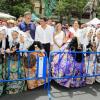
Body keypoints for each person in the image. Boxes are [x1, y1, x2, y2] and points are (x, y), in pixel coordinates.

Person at [0, 29, 9, 96]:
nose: (3, 35)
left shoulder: (6, 40)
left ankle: (2, 90)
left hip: (3, 59)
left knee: (3, 74)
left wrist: (8, 49)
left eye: (4, 34)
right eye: (2, 34)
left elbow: (7, 47)